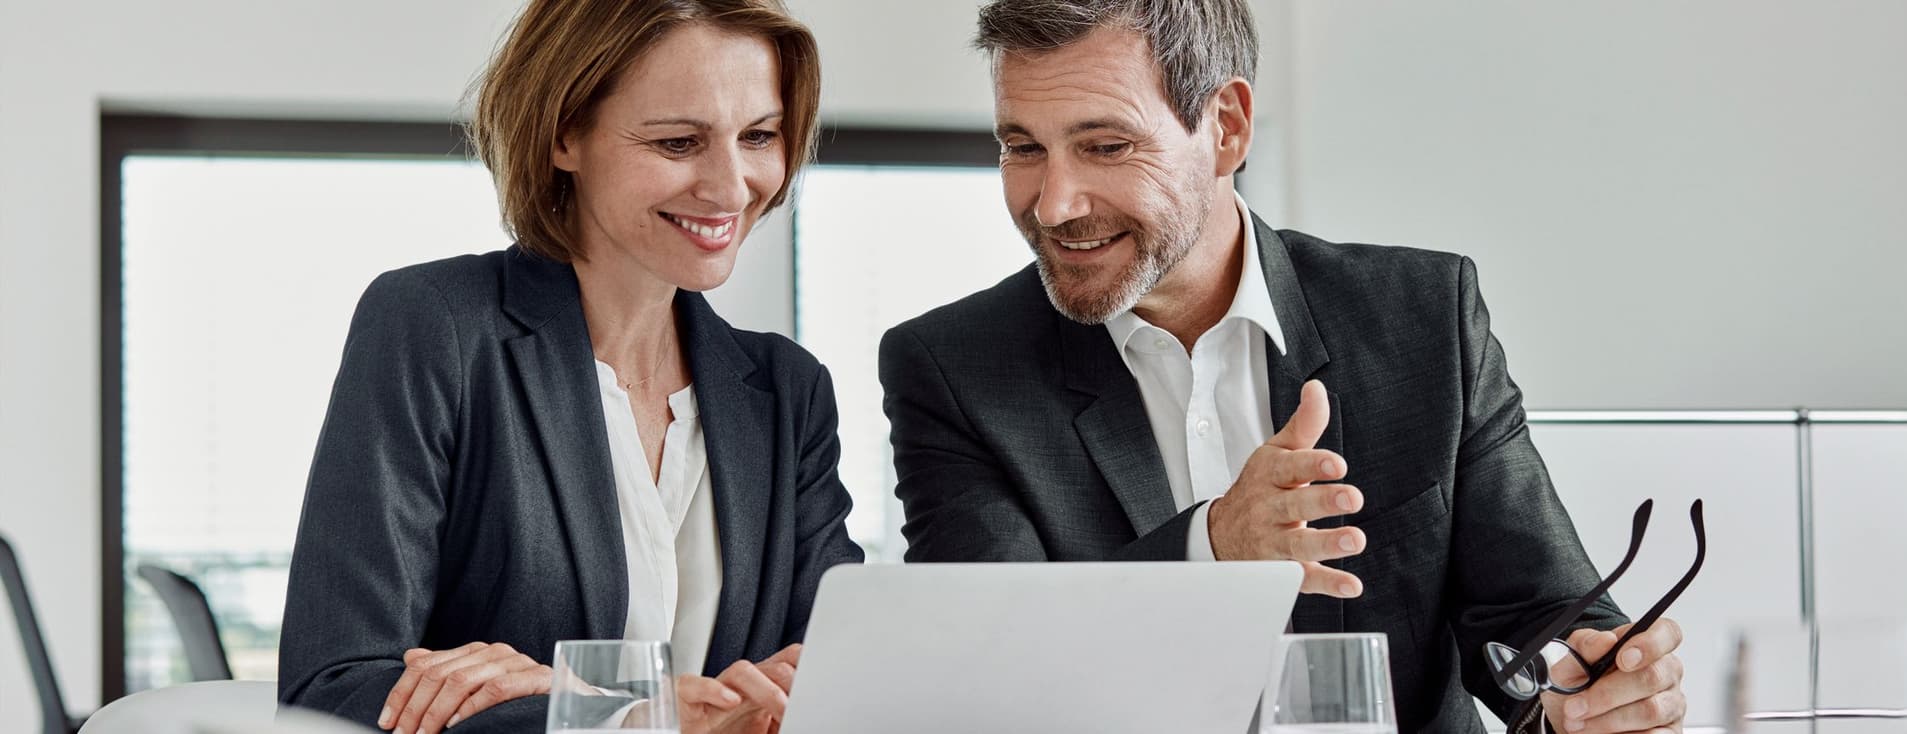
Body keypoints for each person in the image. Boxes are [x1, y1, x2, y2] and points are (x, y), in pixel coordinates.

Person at [879, 1, 1686, 730]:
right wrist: (1212, 550)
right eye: (1023, 147)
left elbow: (1541, 610)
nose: (1054, 204)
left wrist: (1594, 683)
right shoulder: (952, 369)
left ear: (1226, 127)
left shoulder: (1423, 316)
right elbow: (993, 673)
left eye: (1106, 145)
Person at [278, 2, 862, 733]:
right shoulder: (436, 326)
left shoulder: (787, 391)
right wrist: (621, 709)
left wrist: (567, 687)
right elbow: (334, 686)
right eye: (679, 142)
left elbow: (841, 669)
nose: (731, 184)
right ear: (564, 134)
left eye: (760, 136)